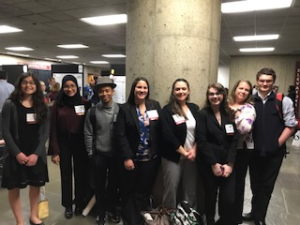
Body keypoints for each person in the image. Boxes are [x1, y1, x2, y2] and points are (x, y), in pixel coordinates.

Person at [242, 68, 297, 225]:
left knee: (266, 186)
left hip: (274, 153)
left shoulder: (283, 100)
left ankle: (260, 217)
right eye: (262, 80)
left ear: (273, 82)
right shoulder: (250, 100)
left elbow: (291, 125)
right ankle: (253, 212)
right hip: (254, 152)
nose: (265, 83)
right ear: (257, 81)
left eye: (268, 81)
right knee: (254, 184)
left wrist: (276, 144)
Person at [1, 72, 49, 225]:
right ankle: (19, 221)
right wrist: (17, 153)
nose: (29, 85)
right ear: (20, 85)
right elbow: (5, 131)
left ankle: (33, 216)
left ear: (37, 86)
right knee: (14, 187)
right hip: (16, 153)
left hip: (36, 153)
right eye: (25, 82)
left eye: (32, 83)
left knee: (35, 185)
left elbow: (45, 131)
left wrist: (36, 154)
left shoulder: (42, 105)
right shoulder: (10, 104)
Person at [114, 77, 161, 225]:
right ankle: (129, 217)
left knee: (144, 190)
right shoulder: (125, 108)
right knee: (129, 189)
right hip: (132, 158)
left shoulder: (154, 106)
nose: (142, 90)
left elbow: (160, 129)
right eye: (139, 87)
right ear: (134, 89)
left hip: (150, 158)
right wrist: (127, 157)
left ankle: (140, 217)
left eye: (145, 88)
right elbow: (120, 135)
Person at [48, 75, 91, 219]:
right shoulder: (58, 104)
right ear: (63, 87)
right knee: (65, 175)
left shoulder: (85, 103)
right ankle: (67, 205)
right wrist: (55, 151)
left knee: (81, 174)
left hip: (80, 143)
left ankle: (79, 203)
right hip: (63, 143)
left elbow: (90, 126)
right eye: (66, 86)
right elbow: (52, 128)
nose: (69, 89)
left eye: (72, 86)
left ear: (77, 87)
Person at [196, 83, 237, 225]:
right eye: (211, 94)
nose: (215, 96)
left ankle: (223, 221)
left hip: (227, 163)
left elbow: (234, 140)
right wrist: (213, 164)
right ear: (207, 96)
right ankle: (210, 221)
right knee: (210, 195)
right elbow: (201, 141)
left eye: (218, 93)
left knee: (228, 198)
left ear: (223, 95)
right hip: (209, 163)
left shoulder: (230, 113)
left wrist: (230, 164)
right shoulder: (202, 115)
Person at [84, 77, 120, 225]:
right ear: (97, 93)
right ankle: (101, 212)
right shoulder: (92, 112)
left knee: (113, 184)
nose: (104, 94)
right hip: (99, 154)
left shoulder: (120, 109)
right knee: (99, 185)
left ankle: (112, 209)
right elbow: (88, 133)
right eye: (101, 91)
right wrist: (90, 153)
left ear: (112, 91)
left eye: (107, 90)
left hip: (115, 155)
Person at [160, 78, 199, 209]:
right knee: (171, 191)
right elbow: (167, 135)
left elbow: (200, 132)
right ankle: (169, 218)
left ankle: (189, 218)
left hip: (192, 157)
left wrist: (193, 150)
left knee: (190, 191)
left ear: (188, 91)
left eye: (183, 89)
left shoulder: (194, 108)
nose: (180, 91)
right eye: (177, 89)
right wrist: (184, 152)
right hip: (173, 157)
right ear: (173, 91)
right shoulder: (167, 110)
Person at [228, 80, 256, 224]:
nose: (243, 91)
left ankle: (236, 217)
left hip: (242, 150)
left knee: (238, 185)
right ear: (235, 88)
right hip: (226, 149)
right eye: (241, 88)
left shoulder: (248, 108)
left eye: (246, 90)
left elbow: (244, 129)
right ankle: (226, 215)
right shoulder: (226, 104)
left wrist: (237, 113)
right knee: (227, 184)